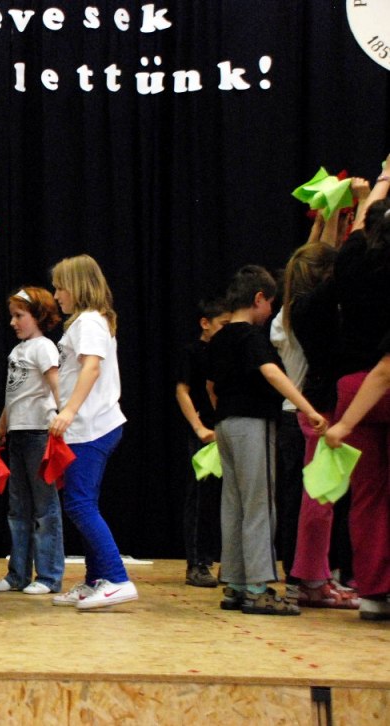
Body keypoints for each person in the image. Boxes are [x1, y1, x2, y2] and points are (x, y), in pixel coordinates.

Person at [206, 265, 327, 616]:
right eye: (270, 303)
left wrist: (223, 414)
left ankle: (235, 583)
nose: (271, 311)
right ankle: (258, 588)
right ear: (259, 298)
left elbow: (211, 386)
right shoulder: (251, 336)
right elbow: (271, 372)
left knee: (234, 504)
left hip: (225, 425)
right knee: (260, 504)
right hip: (251, 423)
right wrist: (309, 409)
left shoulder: (220, 337)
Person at [47, 255, 137, 610]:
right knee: (84, 503)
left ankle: (117, 578)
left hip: (91, 428)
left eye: (60, 287)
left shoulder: (88, 321)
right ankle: (95, 579)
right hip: (89, 428)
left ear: (77, 287)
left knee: (80, 504)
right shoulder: (90, 322)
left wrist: (68, 411)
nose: (57, 295)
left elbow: (91, 368)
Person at [276, 243, 358, 609]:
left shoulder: (301, 306)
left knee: (323, 497)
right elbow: (347, 260)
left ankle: (316, 576)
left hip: (320, 402)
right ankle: (310, 579)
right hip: (321, 406)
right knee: (319, 498)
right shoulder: (311, 307)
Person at [326, 157, 390, 620]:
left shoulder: (352, 262)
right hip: (381, 378)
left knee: (367, 496)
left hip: (353, 388)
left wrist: (381, 182)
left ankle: (372, 590)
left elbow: (358, 231)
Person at [0, 286, 64, 596]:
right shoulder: (17, 351)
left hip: (38, 433)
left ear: (38, 316)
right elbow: (14, 394)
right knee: (17, 507)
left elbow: (56, 386)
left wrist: (64, 416)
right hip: (18, 434)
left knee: (44, 508)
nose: (13, 322)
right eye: (12, 316)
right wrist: (1, 426)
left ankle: (49, 576)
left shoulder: (44, 347)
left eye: (19, 316)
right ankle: (18, 574)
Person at [174, 298, 229, 588]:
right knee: (199, 496)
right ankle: (196, 563)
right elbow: (182, 391)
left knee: (222, 498)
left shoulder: (226, 351)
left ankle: (221, 561)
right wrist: (199, 427)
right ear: (205, 323)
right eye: (223, 324)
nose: (227, 330)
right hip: (204, 432)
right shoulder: (193, 352)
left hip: (224, 429)